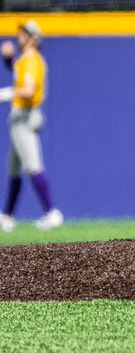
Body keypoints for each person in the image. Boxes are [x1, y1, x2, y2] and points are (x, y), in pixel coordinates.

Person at [0, 20, 63, 232]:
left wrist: (5, 93)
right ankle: (7, 216)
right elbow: (18, 72)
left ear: (33, 39)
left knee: (33, 166)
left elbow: (27, 90)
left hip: (24, 118)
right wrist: (8, 60)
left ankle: (51, 212)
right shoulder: (25, 60)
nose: (20, 36)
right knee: (14, 169)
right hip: (22, 117)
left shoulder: (32, 60)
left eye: (24, 34)